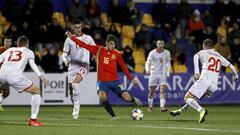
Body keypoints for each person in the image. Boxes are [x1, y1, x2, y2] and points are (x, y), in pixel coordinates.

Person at [66, 32, 142, 120]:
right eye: (111, 44)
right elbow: (84, 45)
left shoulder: (117, 54)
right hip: (101, 82)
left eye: (114, 44)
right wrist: (72, 38)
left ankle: (133, 99)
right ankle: (113, 116)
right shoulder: (99, 50)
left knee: (126, 98)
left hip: (114, 81)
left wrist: (131, 79)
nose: (113, 46)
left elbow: (124, 67)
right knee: (102, 96)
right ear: (106, 43)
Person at [169, 39, 239, 123]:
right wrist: (236, 75)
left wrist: (196, 72)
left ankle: (201, 110)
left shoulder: (204, 52)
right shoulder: (219, 55)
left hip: (204, 80)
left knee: (187, 98)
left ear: (204, 45)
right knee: (193, 99)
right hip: (214, 86)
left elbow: (195, 56)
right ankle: (180, 111)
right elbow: (231, 66)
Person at [0, 35, 49, 126]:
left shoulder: (10, 50)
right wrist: (41, 76)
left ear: (17, 43)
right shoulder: (29, 51)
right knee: (36, 91)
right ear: (27, 44)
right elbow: (32, 64)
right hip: (14, 77)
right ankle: (33, 120)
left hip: (1, 75)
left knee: (5, 92)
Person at [62, 19, 96, 119]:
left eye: (79, 27)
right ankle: (75, 103)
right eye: (76, 27)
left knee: (75, 83)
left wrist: (94, 55)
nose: (78, 29)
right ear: (72, 28)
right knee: (70, 91)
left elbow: (94, 48)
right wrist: (65, 60)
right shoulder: (69, 39)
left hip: (84, 65)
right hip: (72, 66)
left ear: (81, 27)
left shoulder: (88, 38)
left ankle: (76, 109)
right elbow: (64, 53)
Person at [145, 40, 171, 112]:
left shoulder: (167, 53)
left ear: (163, 44)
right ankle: (150, 106)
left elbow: (168, 62)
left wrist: (168, 72)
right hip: (153, 73)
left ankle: (162, 107)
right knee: (151, 91)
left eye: (162, 43)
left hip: (163, 74)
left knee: (162, 90)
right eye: (159, 43)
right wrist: (147, 69)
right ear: (156, 44)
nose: (160, 45)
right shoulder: (152, 53)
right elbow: (148, 62)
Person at [0, 36, 12, 111]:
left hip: (7, 74)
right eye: (6, 41)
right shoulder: (0, 50)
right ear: (3, 42)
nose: (8, 43)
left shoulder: (13, 51)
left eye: (9, 41)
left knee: (7, 93)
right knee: (1, 89)